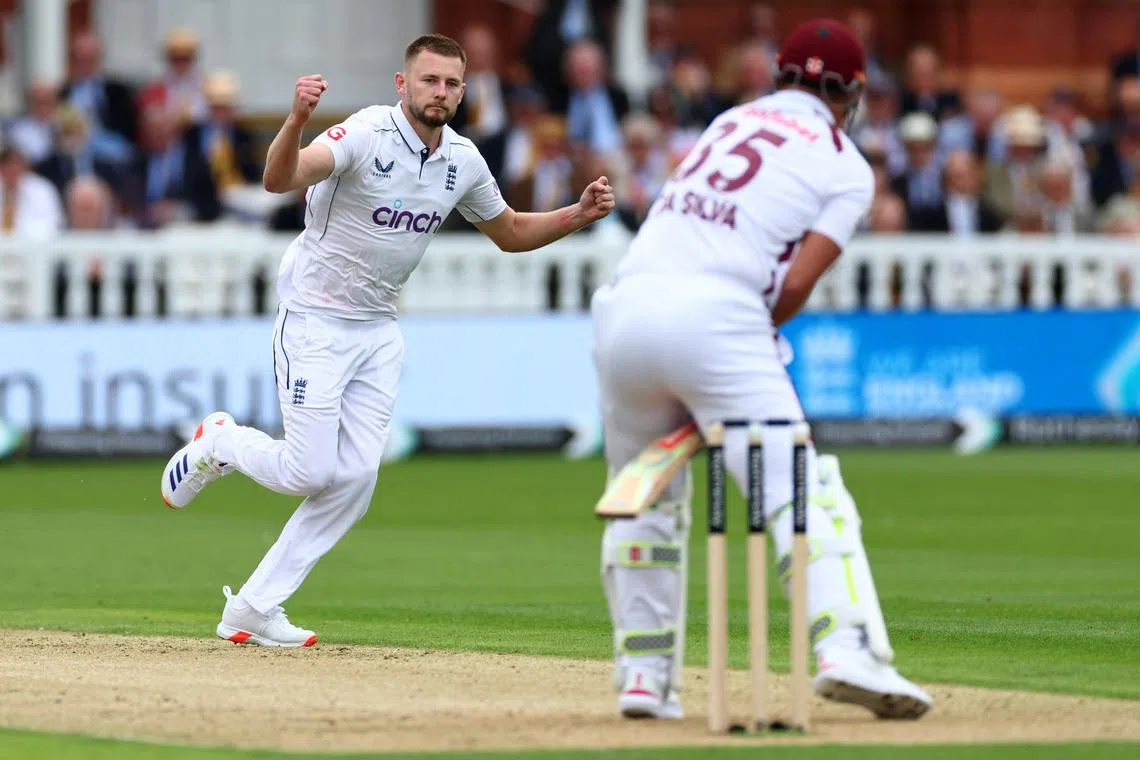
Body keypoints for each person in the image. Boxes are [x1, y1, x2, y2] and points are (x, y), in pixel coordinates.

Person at [158, 34, 615, 647]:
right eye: (430, 80)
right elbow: (279, 178)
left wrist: (576, 216)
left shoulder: (462, 160)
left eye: (453, 84)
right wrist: (296, 118)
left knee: (355, 482)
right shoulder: (366, 134)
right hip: (314, 317)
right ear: (404, 84)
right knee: (309, 470)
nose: (442, 93)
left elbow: (507, 232)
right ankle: (222, 443)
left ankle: (254, 608)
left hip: (377, 330)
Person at [589, 19, 933, 721]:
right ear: (854, 92)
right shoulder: (845, 164)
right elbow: (795, 286)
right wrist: (742, 350)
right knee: (799, 488)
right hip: (718, 314)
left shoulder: (728, 122)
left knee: (643, 497)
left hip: (624, 309)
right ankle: (847, 649)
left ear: (780, 75)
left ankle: (644, 678)